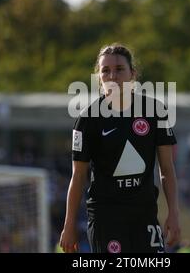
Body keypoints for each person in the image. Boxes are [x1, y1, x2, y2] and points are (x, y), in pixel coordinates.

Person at [60, 44, 180, 253]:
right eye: (105, 70)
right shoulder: (88, 119)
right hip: (106, 219)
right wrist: (69, 224)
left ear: (132, 74)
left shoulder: (155, 111)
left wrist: (174, 213)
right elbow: (78, 176)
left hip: (144, 216)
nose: (112, 76)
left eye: (119, 69)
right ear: (99, 77)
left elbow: (167, 170)